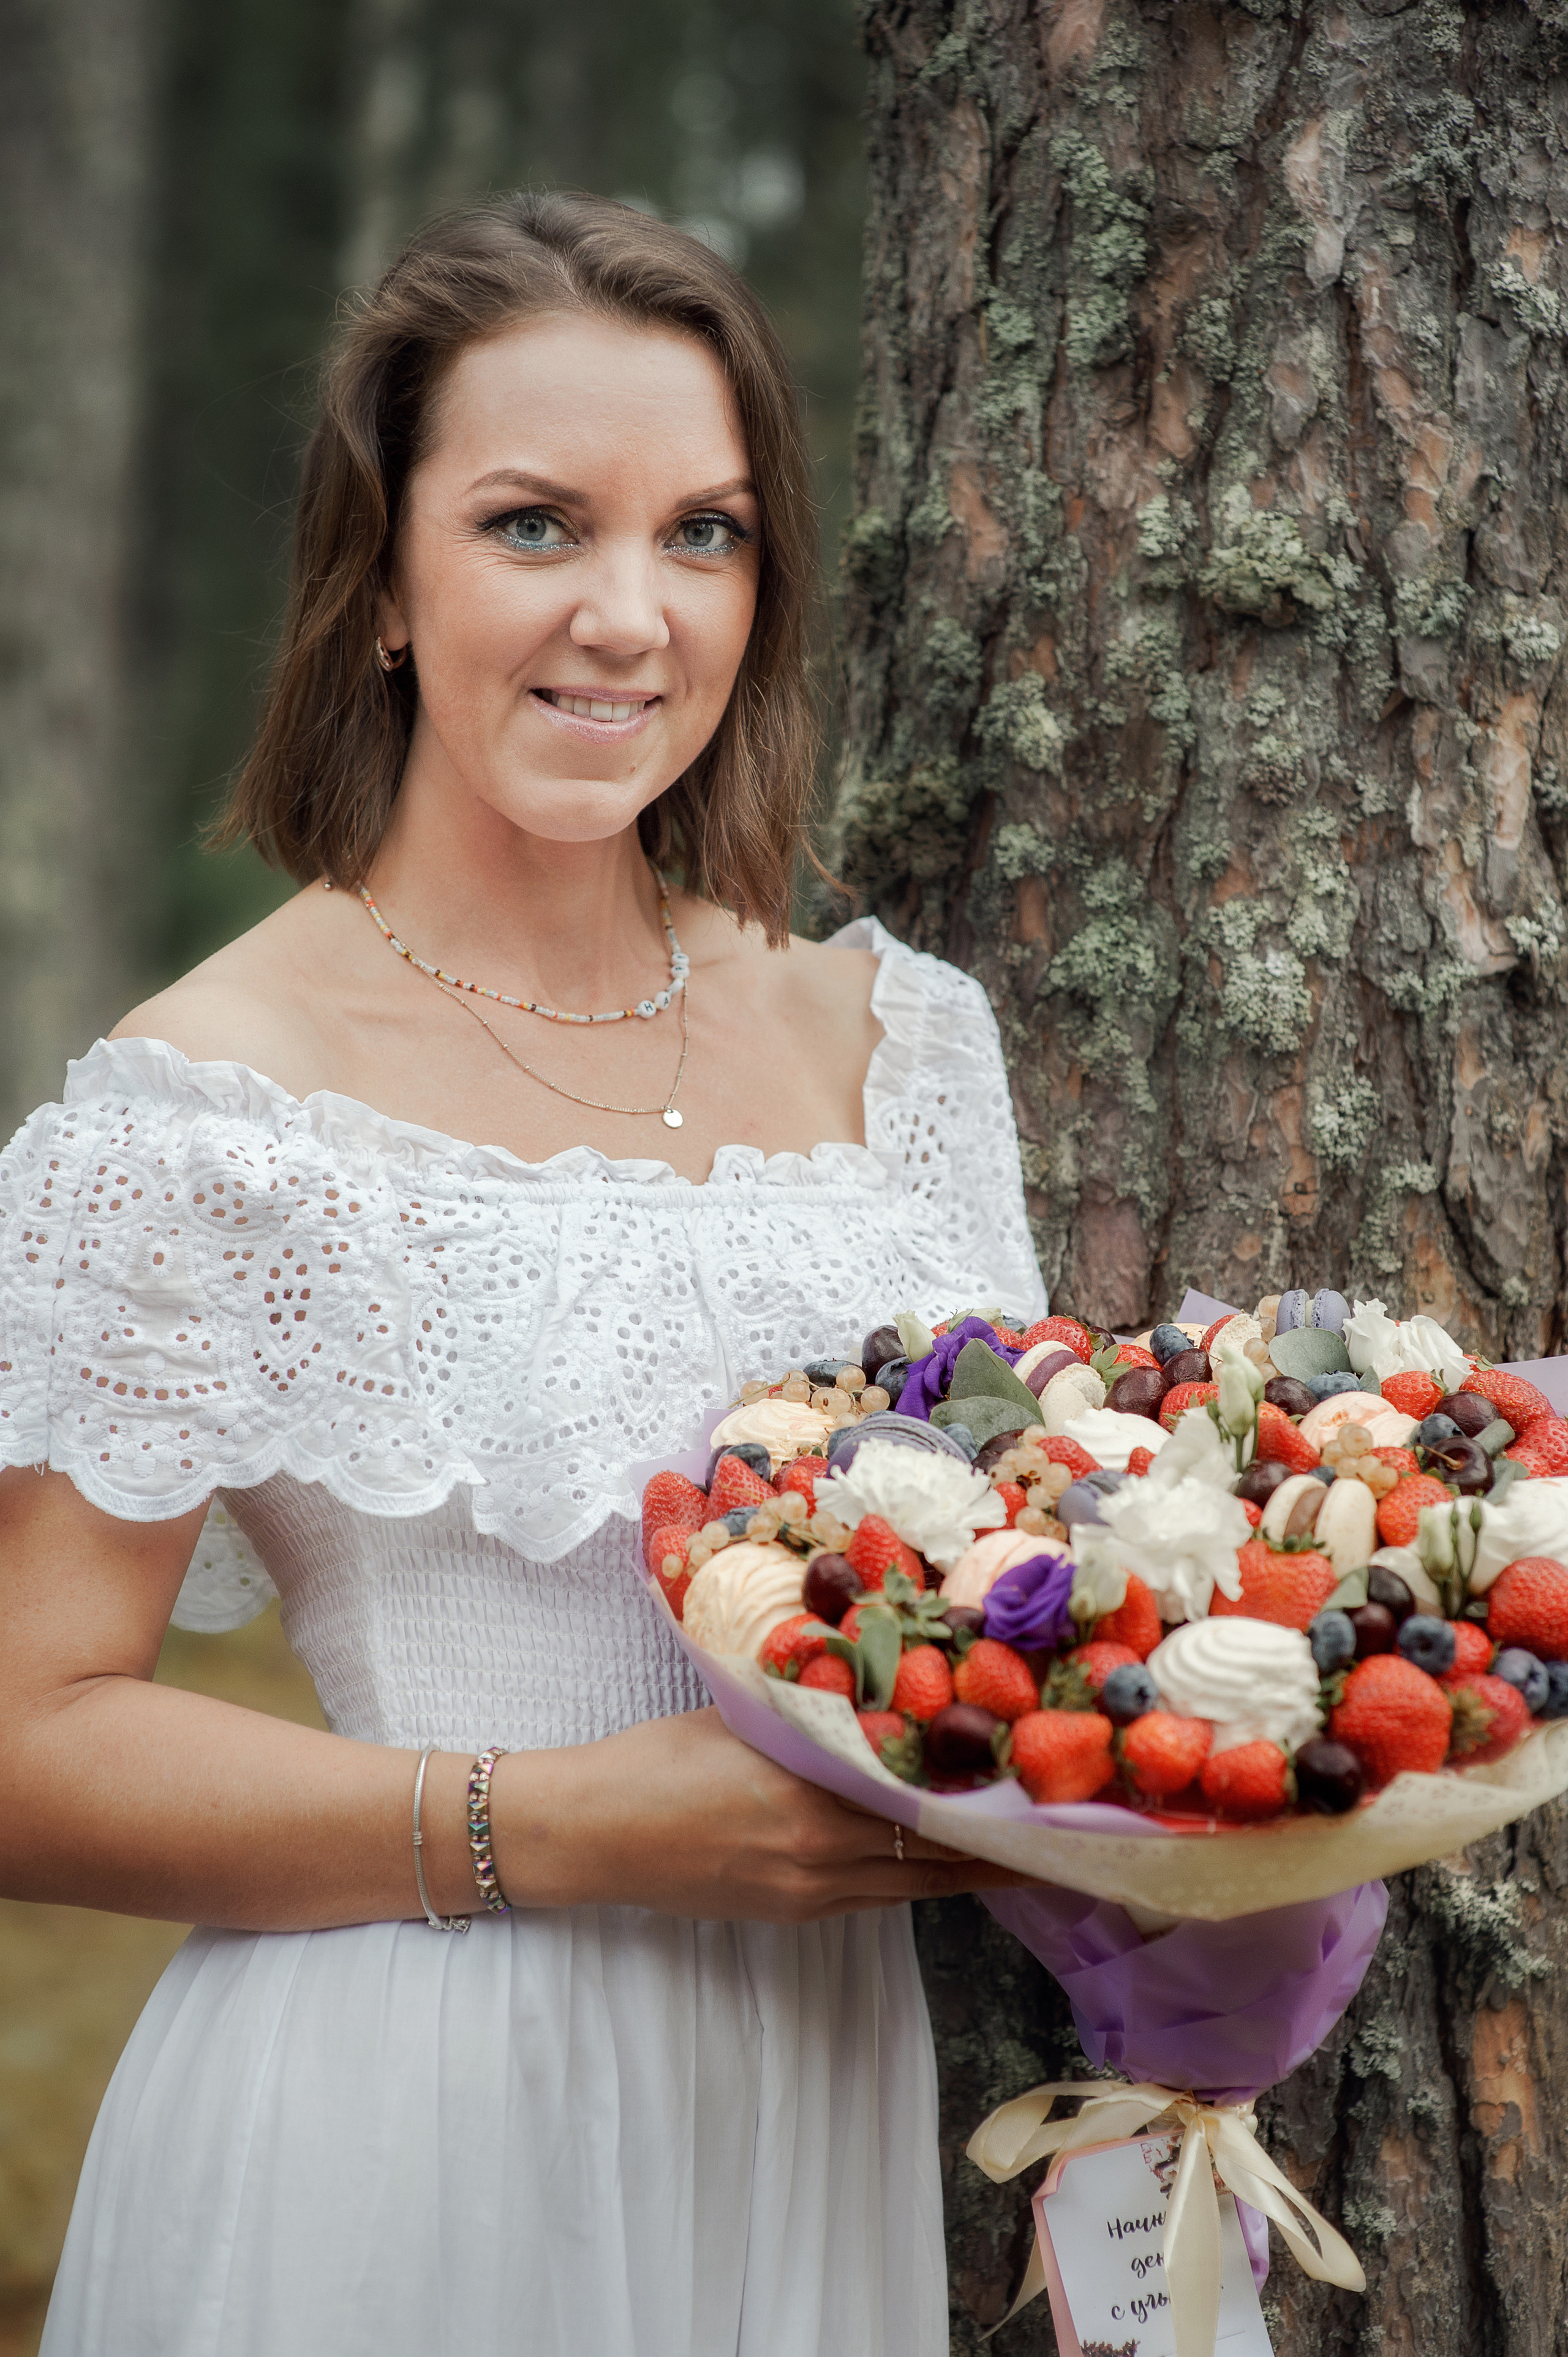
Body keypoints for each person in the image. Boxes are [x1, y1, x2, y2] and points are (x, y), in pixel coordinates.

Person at [0, 192, 1048, 2356]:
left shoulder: (906, 1047)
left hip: (822, 2115)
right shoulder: (201, 1114)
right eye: (535, 525)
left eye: (705, 535)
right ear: (382, 582)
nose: (630, 615)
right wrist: (554, 1828)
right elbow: (25, 1738)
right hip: (410, 2127)